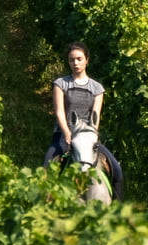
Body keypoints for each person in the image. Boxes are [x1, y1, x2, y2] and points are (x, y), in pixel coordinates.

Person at [44, 41, 110, 203]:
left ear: (87, 60)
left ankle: (117, 207)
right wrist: (67, 133)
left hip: (87, 137)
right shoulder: (61, 84)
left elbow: (96, 115)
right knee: (46, 167)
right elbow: (60, 112)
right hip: (63, 135)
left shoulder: (97, 88)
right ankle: (43, 209)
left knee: (116, 169)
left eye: (79, 59)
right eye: (72, 60)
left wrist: (91, 136)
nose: (75, 63)